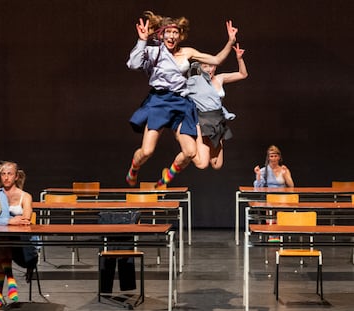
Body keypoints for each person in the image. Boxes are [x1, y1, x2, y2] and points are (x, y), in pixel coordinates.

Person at [125, 11, 237, 187]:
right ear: (161, 34)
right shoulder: (155, 51)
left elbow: (216, 60)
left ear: (180, 35)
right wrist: (142, 41)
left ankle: (165, 178)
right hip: (160, 101)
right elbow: (133, 64)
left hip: (181, 103)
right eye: (168, 33)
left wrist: (230, 42)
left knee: (191, 152)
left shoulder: (187, 52)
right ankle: (134, 168)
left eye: (175, 33)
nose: (171, 36)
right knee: (147, 151)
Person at [0, 161, 37, 309]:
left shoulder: (25, 196)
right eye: (3, 174)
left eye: (9, 174)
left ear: (16, 176)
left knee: (1, 241)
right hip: (3, 240)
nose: (6, 177)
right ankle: (7, 283)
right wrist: (10, 221)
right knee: (2, 239)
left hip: (22, 244)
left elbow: (25, 219)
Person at [186, 42, 248, 170]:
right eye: (205, 66)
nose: (209, 69)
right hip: (201, 122)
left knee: (217, 164)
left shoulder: (220, 78)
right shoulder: (194, 81)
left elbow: (243, 74)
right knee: (202, 164)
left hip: (217, 122)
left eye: (211, 66)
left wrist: (239, 59)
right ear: (199, 68)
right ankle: (186, 154)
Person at [253, 145, 294, 242]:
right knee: (270, 207)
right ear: (268, 158)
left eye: (275, 156)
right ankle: (272, 233)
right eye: (271, 156)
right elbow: (258, 187)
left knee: (280, 210)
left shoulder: (284, 170)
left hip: (282, 198)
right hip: (269, 198)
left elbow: (291, 185)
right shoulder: (264, 171)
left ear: (279, 157)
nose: (274, 158)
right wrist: (258, 175)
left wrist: (286, 175)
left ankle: (279, 233)